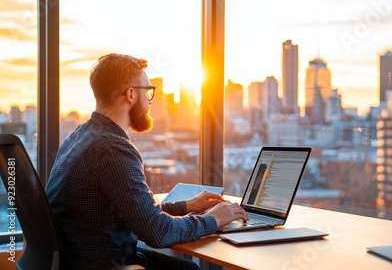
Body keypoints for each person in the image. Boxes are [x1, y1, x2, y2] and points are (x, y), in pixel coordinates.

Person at [46, 53, 248, 270]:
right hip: (105, 263)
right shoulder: (113, 148)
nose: (150, 101)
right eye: (148, 92)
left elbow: (135, 211)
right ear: (130, 94)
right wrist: (214, 220)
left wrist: (187, 206)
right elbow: (157, 232)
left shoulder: (79, 136)